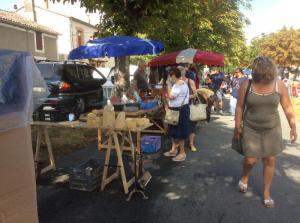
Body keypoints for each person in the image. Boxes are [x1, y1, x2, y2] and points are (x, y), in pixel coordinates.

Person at [234, 56, 297, 208]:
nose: (260, 75)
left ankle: (266, 193)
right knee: (251, 159)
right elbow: (240, 106)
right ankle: (245, 176)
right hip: (250, 127)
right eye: (257, 72)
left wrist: (293, 126)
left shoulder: (279, 85)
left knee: (269, 160)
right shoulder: (247, 84)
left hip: (272, 129)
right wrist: (237, 126)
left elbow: (287, 107)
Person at [164, 67, 190, 162]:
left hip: (180, 110)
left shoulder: (179, 84)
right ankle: (174, 150)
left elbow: (171, 96)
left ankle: (182, 153)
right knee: (173, 131)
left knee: (180, 132)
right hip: (175, 110)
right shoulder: (178, 84)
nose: (169, 78)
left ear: (173, 75)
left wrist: (168, 85)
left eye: (170, 76)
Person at [181, 67, 198, 152]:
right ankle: (180, 145)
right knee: (180, 126)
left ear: (185, 71)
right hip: (179, 108)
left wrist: (187, 97)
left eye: (182, 70)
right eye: (179, 71)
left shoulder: (190, 81)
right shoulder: (175, 82)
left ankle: (191, 144)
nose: (180, 72)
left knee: (191, 126)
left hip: (190, 106)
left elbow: (195, 94)